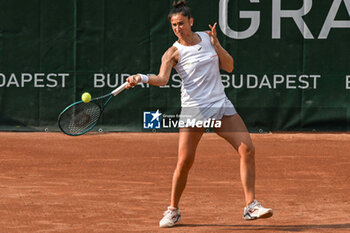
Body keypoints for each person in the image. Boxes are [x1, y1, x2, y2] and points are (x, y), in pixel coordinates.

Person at [126, 0, 273, 228]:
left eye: (181, 23)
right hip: (194, 110)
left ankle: (250, 206)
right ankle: (173, 210)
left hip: (219, 105)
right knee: (184, 162)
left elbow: (230, 66)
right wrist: (141, 78)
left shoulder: (207, 38)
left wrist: (217, 44)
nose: (178, 28)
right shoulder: (173, 52)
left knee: (247, 149)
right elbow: (163, 79)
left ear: (191, 21)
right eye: (174, 25)